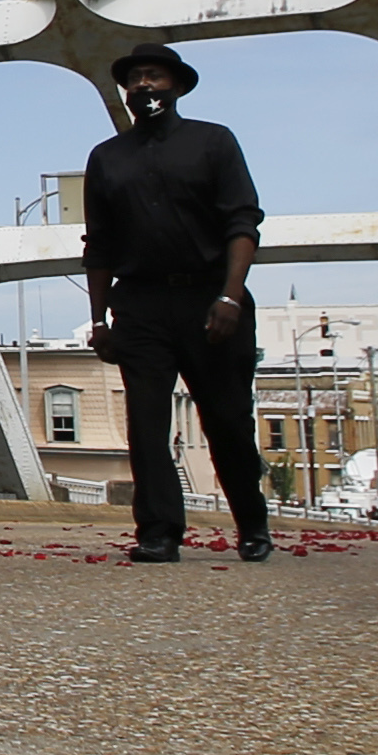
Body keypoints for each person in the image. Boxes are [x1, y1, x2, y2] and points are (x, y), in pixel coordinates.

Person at [80, 39, 274, 564]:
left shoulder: (213, 143)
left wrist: (230, 296)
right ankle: (159, 532)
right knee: (147, 423)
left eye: (154, 76)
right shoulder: (106, 158)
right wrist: (98, 321)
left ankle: (252, 524)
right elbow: (98, 244)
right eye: (135, 78)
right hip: (140, 304)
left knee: (228, 420)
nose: (144, 85)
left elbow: (242, 221)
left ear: (178, 86)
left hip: (210, 299)